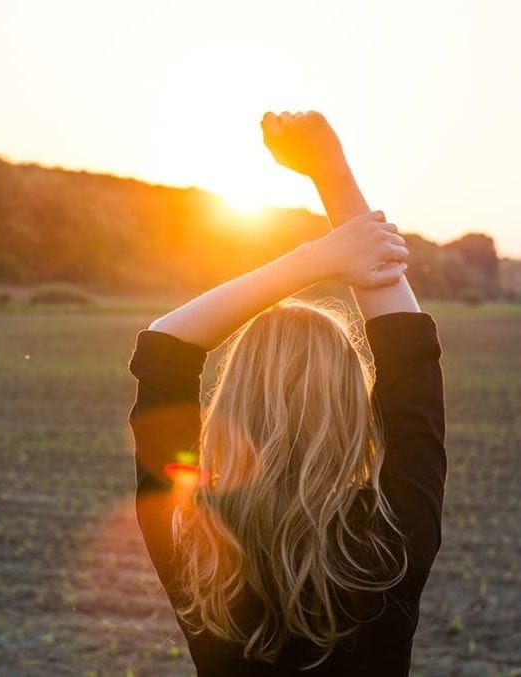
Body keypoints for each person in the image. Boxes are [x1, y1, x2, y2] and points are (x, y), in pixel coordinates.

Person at [127, 111, 446, 675]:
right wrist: (332, 172)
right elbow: (408, 355)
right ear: (356, 405)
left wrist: (314, 261)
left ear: (232, 400)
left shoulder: (190, 535)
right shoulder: (394, 532)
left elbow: (165, 347)